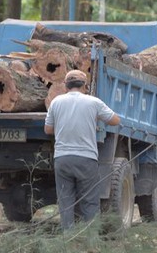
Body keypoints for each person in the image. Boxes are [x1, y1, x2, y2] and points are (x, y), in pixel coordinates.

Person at [44, 69, 121, 231]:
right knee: (90, 201)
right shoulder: (93, 102)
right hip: (86, 159)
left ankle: (68, 239)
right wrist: (96, 118)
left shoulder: (56, 102)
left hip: (62, 159)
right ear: (85, 86)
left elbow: (48, 130)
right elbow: (115, 120)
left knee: (65, 201)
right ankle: (90, 240)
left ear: (65, 86)